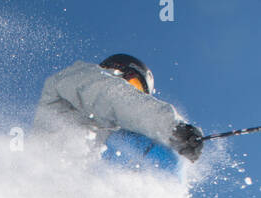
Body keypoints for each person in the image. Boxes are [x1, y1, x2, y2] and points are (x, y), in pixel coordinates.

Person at [32, 53, 204, 171]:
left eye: (139, 93)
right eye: (134, 87)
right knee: (145, 148)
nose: (131, 93)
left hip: (76, 196)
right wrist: (173, 128)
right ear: (116, 70)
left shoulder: (106, 135)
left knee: (161, 155)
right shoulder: (84, 78)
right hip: (48, 176)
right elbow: (115, 97)